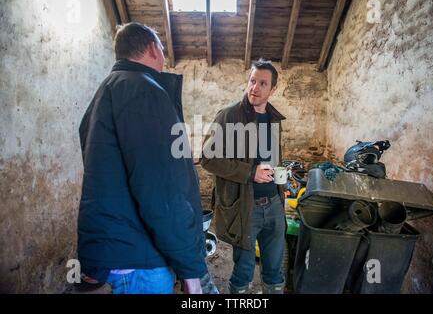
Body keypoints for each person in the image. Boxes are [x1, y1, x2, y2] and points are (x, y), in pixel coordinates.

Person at [77, 22, 207, 294]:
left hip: (117, 253)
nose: (163, 56)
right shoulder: (145, 92)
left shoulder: (106, 93)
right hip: (141, 261)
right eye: (161, 49)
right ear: (151, 49)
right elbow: (161, 194)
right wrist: (190, 269)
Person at [201, 59, 287, 294]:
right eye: (252, 81)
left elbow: (271, 159)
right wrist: (250, 173)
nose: (254, 88)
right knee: (244, 270)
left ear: (273, 89)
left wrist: (282, 183)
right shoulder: (229, 116)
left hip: (275, 206)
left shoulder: (273, 119)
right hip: (244, 208)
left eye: (262, 83)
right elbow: (208, 158)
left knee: (274, 269)